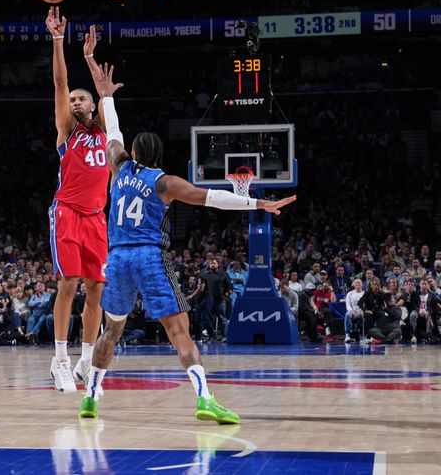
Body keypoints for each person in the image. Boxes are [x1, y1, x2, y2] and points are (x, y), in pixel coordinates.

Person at [76, 57, 296, 421]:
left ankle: (91, 397)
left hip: (115, 259)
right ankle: (204, 398)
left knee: (111, 332)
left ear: (134, 153)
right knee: (179, 330)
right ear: (159, 156)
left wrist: (105, 96)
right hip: (148, 258)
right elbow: (213, 198)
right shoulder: (165, 182)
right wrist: (258, 202)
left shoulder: (118, 166)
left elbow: (112, 131)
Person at [45, 9, 111, 393]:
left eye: (80, 98)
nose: (73, 100)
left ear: (92, 105)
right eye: (71, 99)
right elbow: (59, 81)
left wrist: (90, 58)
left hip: (96, 218)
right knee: (68, 283)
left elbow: (104, 96)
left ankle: (87, 362)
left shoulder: (104, 131)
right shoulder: (67, 131)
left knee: (96, 290)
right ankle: (60, 361)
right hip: (67, 213)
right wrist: (58, 40)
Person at [344, 278, 365, 343]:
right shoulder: (350, 293)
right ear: (353, 285)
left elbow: (367, 304)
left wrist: (362, 311)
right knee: (347, 314)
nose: (358, 283)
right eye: (356, 282)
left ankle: (364, 336)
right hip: (353, 311)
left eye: (359, 282)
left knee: (368, 315)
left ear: (362, 284)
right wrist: (352, 311)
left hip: (362, 311)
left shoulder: (365, 293)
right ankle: (347, 335)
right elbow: (348, 305)